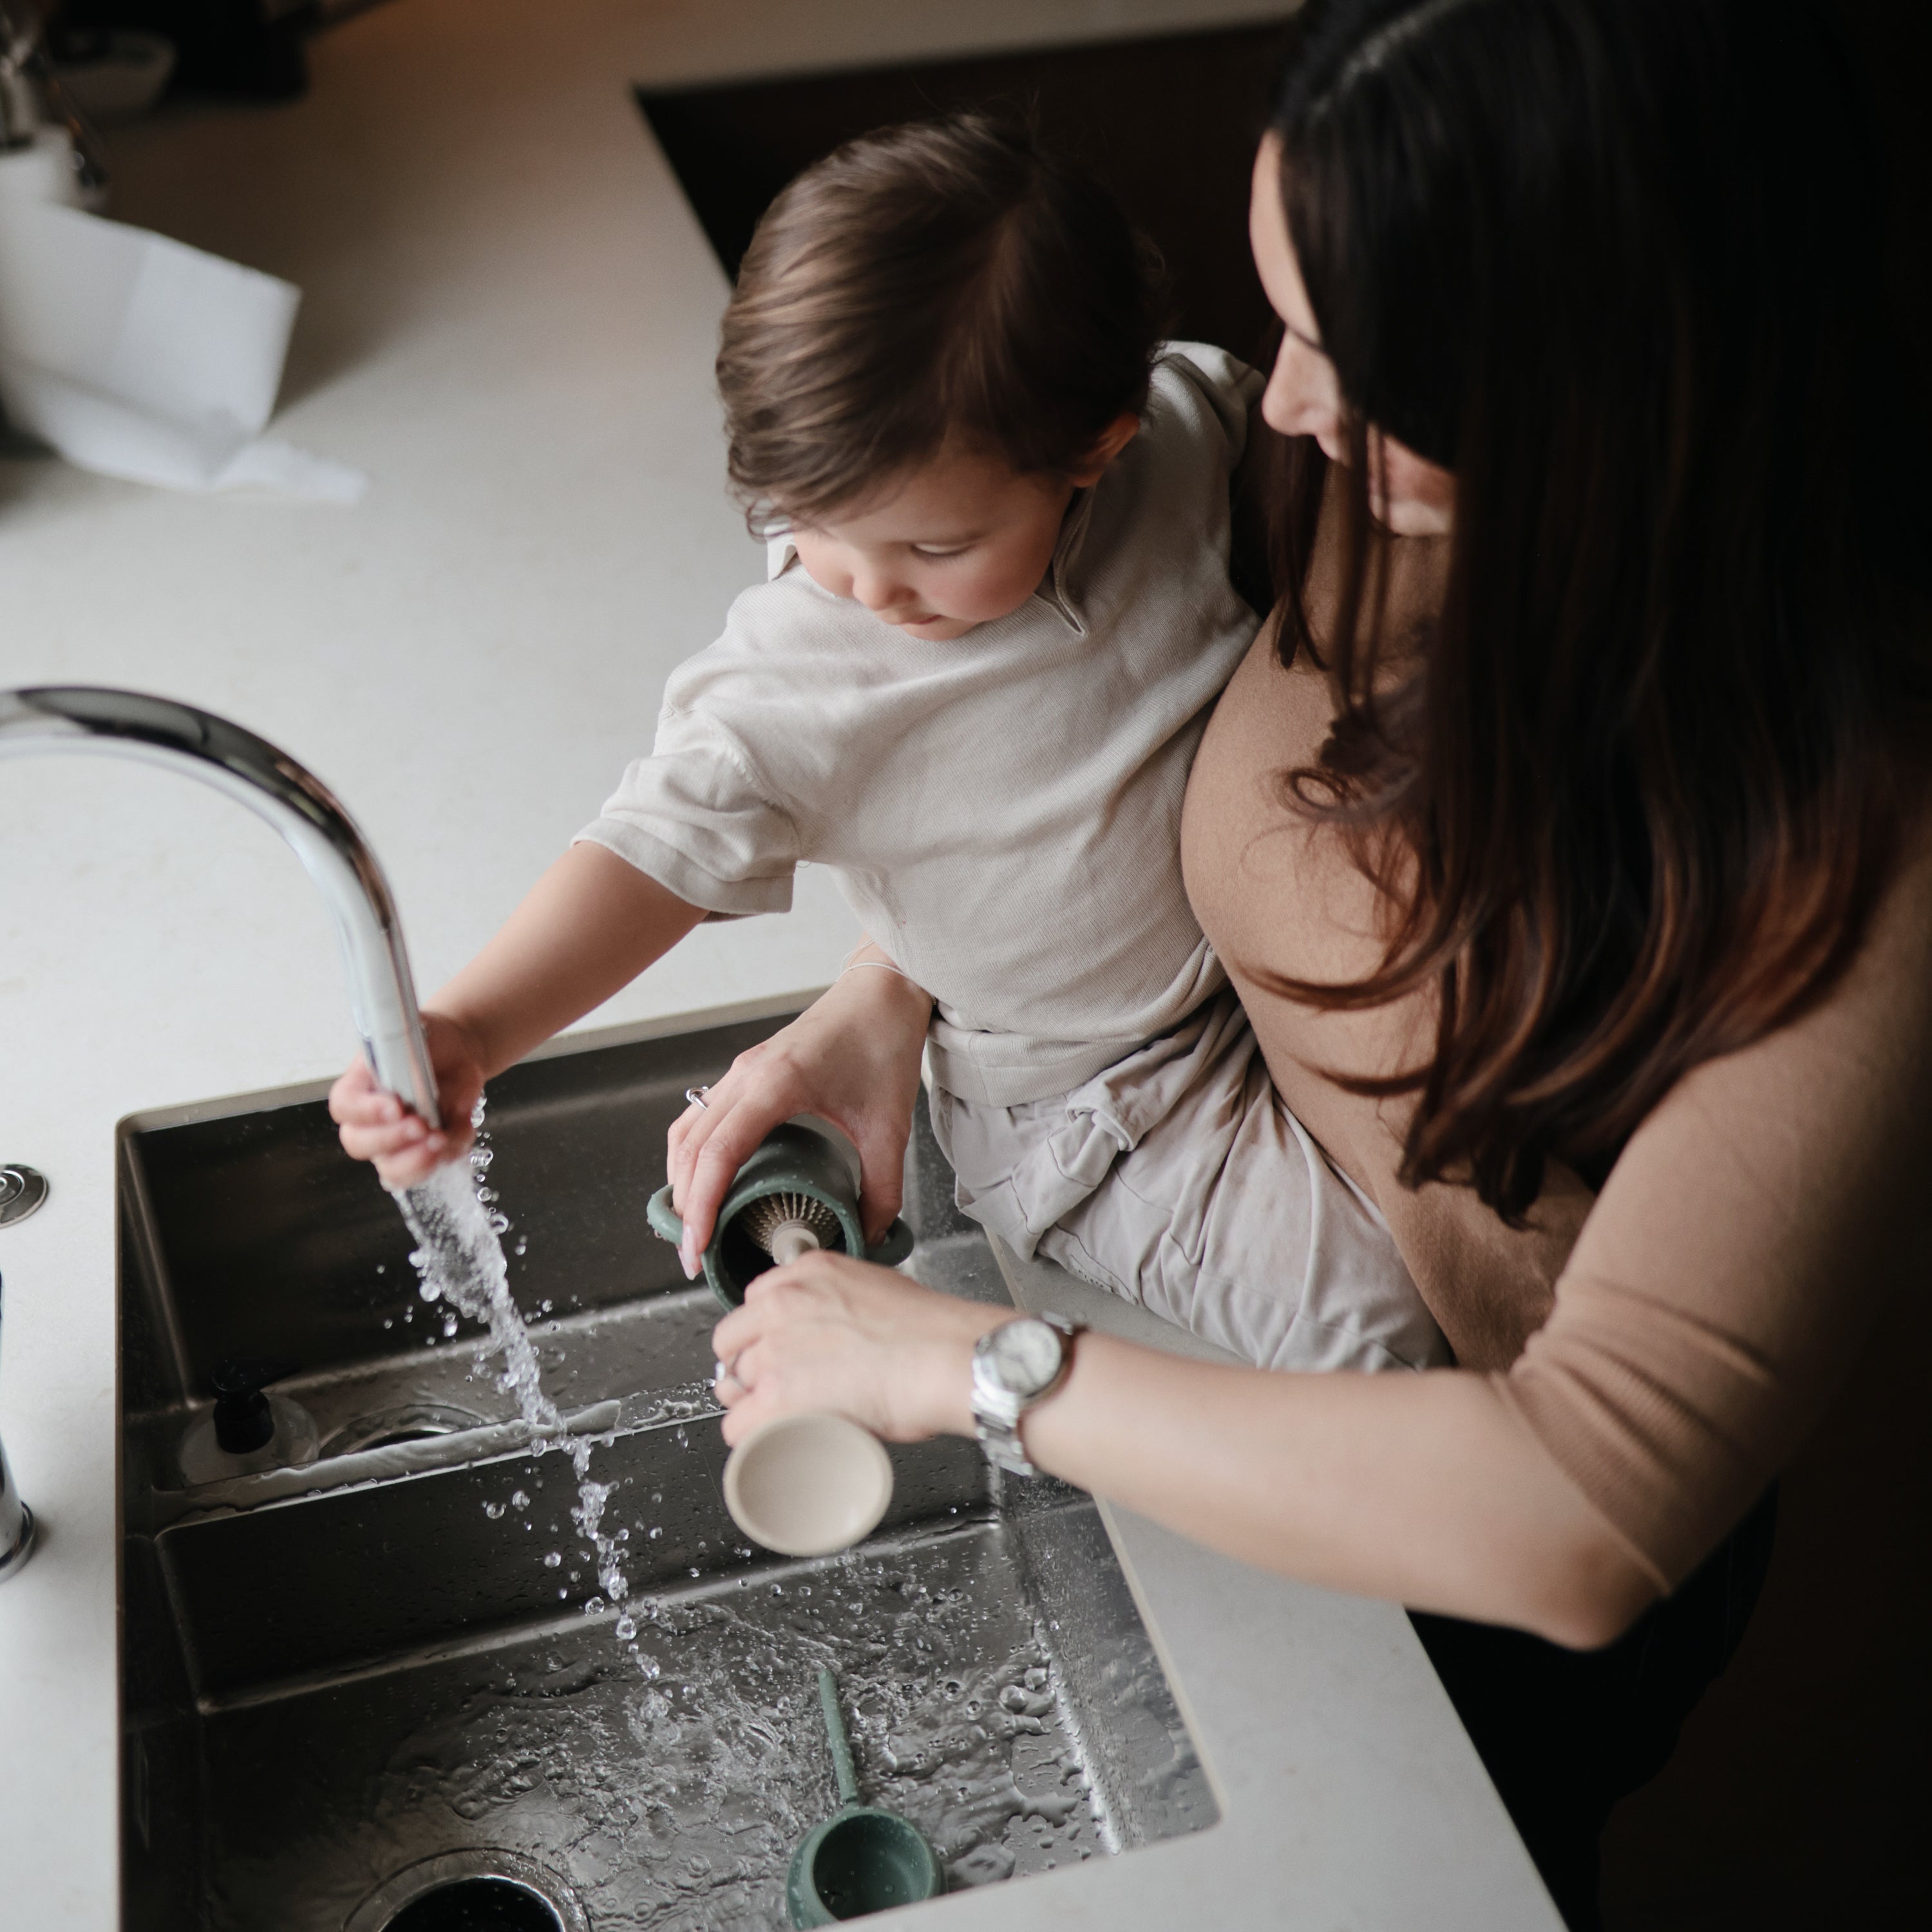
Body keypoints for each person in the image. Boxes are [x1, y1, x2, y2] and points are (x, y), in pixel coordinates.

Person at [668, 3, 1932, 1926]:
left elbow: (1588, 1507)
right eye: (1290, 320)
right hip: (1231, 1310)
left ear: (1611, 377)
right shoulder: (1358, 480)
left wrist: (974, 1367)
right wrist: (892, 987)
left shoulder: (1865, 854)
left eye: (1361, 358)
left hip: (1481, 1558)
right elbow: (1107, 737)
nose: (1282, 402)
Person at [330, 114, 1448, 1377]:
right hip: (1095, 1112)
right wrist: (473, 1029)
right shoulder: (806, 672)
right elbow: (649, 849)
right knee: (1386, 1327)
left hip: (1248, 991)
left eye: (934, 548)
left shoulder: (1191, 427)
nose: (867, 586)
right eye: (810, 522)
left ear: (1099, 445)